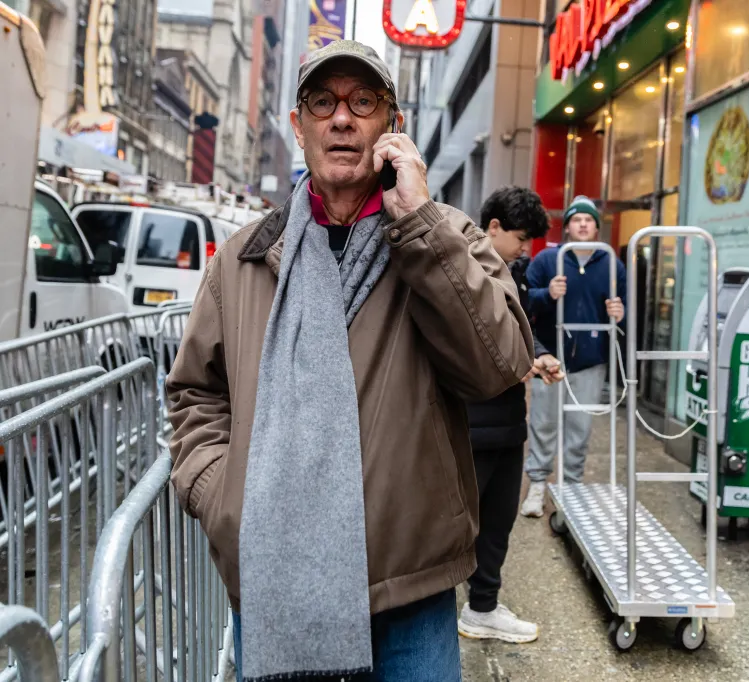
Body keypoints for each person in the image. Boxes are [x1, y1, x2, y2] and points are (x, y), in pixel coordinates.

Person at [165, 40, 534, 682]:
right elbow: (196, 396)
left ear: (391, 126)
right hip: (276, 580)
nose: (342, 118)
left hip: (408, 594)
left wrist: (418, 222)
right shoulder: (244, 260)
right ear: (298, 125)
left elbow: (495, 366)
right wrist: (227, 498)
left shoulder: (443, 234)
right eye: (322, 101)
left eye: (363, 101)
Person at [457, 187, 563, 644]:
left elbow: (520, 334)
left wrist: (538, 355)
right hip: (469, 422)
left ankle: (482, 608)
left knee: (498, 523)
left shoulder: (513, 273)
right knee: (456, 527)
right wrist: (522, 361)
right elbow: (467, 341)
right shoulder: (461, 268)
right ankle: (429, 618)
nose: (526, 249)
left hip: (505, 420)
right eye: (521, 238)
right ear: (493, 228)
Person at [520, 195, 626, 518]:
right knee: (543, 422)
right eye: (576, 219)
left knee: (579, 428)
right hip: (551, 358)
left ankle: (572, 490)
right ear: (567, 227)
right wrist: (547, 294)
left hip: (590, 361)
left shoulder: (611, 263)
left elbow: (627, 309)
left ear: (596, 227)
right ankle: (538, 486)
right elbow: (522, 302)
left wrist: (619, 314)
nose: (582, 223)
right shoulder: (546, 260)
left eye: (588, 219)